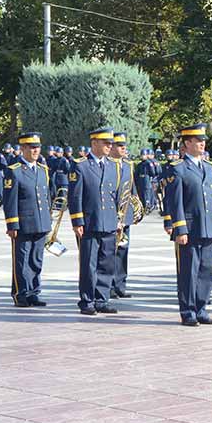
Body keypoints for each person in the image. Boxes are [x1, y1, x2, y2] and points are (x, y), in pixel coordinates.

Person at [163, 124, 212, 326]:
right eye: (198, 140)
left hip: (208, 227)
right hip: (189, 228)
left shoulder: (209, 167)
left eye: (203, 140)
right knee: (189, 271)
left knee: (206, 269)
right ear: (187, 143)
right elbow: (174, 201)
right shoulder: (177, 168)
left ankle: (201, 309)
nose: (202, 143)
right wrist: (179, 228)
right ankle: (188, 312)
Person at [68, 127, 122, 316]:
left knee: (107, 263)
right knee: (89, 264)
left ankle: (102, 299)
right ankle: (87, 300)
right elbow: (75, 197)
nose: (109, 146)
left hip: (108, 221)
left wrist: (118, 220)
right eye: (106, 143)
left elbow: (115, 195)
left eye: (110, 143)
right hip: (90, 222)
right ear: (94, 143)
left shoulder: (112, 166)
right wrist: (77, 221)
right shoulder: (81, 165)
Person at [3, 132, 51, 307]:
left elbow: (47, 197)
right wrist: (12, 224)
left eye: (37, 147)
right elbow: (10, 201)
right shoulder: (14, 171)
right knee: (22, 261)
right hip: (23, 224)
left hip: (41, 222)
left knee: (36, 260)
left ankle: (33, 292)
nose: (35, 150)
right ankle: (20, 293)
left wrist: (48, 221)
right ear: (22, 149)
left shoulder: (43, 170)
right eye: (31, 147)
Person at [109, 133, 135, 300]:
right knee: (109, 252)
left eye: (124, 144)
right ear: (111, 147)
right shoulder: (108, 164)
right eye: (119, 145)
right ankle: (108, 285)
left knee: (123, 250)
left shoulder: (128, 165)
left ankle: (120, 285)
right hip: (110, 216)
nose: (123, 147)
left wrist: (135, 209)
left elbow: (132, 189)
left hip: (124, 214)